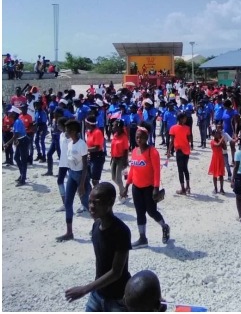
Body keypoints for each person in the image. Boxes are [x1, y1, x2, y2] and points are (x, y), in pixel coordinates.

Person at [64, 183, 131, 312]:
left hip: (117, 299)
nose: (91, 207)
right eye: (89, 202)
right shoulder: (96, 226)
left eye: (96, 203)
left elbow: (116, 272)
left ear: (110, 202)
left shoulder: (121, 231)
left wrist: (84, 289)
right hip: (97, 294)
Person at [122, 123, 170, 249]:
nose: (139, 140)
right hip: (136, 187)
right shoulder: (134, 151)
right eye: (137, 137)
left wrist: (155, 188)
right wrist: (127, 186)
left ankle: (164, 226)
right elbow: (132, 170)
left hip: (149, 187)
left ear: (147, 137)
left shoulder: (152, 152)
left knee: (152, 211)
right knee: (140, 213)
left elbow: (156, 171)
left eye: (141, 137)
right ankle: (142, 238)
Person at [56, 120, 91, 242]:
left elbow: (86, 166)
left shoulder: (82, 145)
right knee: (68, 203)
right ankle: (69, 232)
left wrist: (81, 184)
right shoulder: (70, 143)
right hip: (72, 174)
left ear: (75, 131)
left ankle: (99, 224)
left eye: (68, 130)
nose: (66, 132)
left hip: (82, 176)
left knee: (88, 203)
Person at [4, 107, 30, 186]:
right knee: (16, 158)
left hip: (23, 141)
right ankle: (22, 175)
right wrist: (14, 141)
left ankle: (23, 179)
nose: (9, 114)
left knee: (23, 161)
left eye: (11, 113)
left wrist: (8, 143)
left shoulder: (17, 122)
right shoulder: (16, 121)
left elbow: (16, 135)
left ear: (14, 114)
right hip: (20, 140)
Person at [169, 113, 192, 195]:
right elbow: (189, 139)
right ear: (181, 119)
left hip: (179, 150)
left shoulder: (173, 128)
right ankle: (188, 187)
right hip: (186, 150)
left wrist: (168, 152)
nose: (186, 120)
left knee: (180, 170)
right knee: (185, 168)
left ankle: (183, 189)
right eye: (184, 119)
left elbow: (171, 141)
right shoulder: (187, 128)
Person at [109, 119, 130, 202]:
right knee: (113, 178)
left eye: (113, 125)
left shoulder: (124, 137)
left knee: (118, 178)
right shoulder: (115, 135)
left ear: (118, 127)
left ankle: (123, 195)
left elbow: (126, 150)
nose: (112, 127)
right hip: (114, 158)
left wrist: (125, 162)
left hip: (121, 159)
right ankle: (124, 189)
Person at [86, 116, 106, 187]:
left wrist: (85, 149)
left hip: (98, 157)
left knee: (95, 180)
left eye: (86, 123)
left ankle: (97, 194)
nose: (85, 124)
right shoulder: (89, 132)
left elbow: (97, 148)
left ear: (89, 124)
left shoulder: (97, 132)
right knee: (87, 177)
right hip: (91, 156)